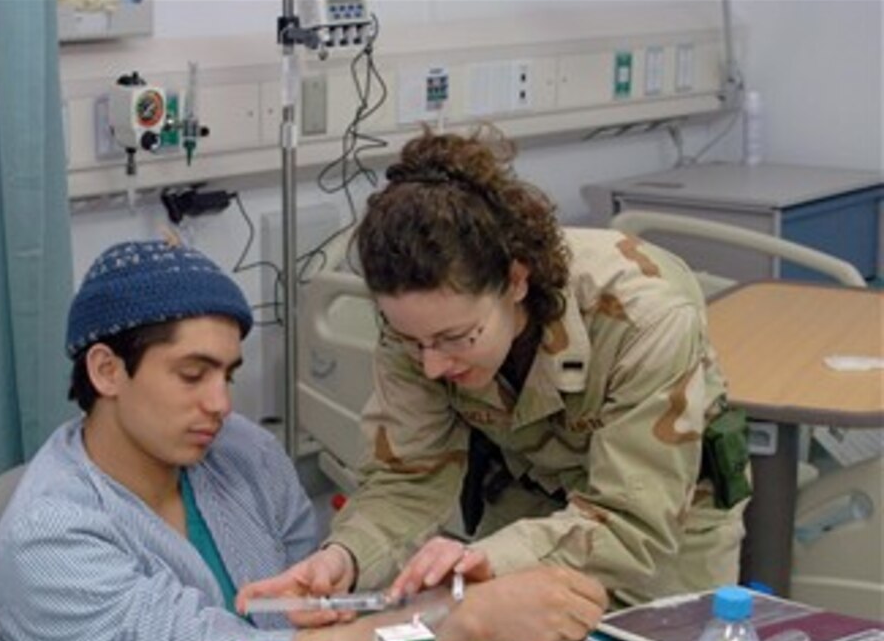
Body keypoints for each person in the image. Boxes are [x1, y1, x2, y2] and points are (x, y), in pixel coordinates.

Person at [0, 237, 608, 641]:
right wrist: (455, 620)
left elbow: (320, 631)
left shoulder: (241, 455)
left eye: (227, 375)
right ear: (107, 371)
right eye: (192, 374)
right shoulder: (49, 541)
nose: (221, 404)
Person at [241, 128, 749, 613]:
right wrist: (345, 559)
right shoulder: (419, 330)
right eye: (414, 342)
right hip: (529, 506)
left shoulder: (643, 318)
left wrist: (493, 561)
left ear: (516, 281)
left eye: (456, 339)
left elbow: (633, 520)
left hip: (663, 527)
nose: (434, 364)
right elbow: (408, 481)